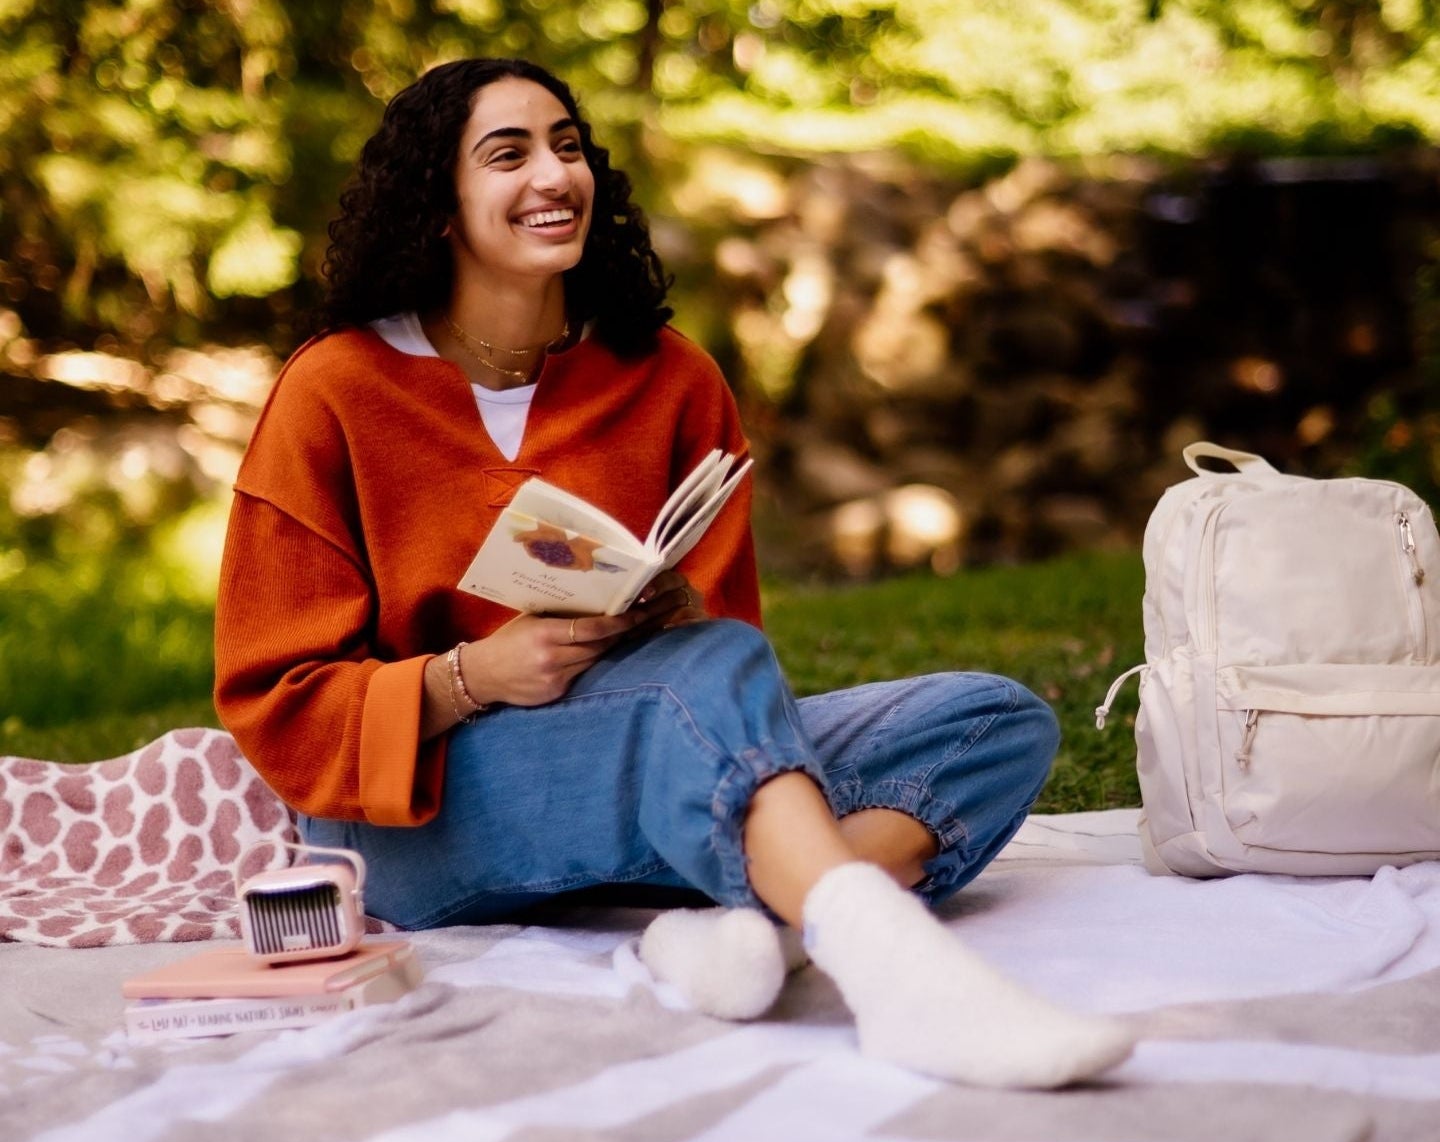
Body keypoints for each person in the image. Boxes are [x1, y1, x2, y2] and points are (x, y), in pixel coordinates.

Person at [213, 57, 1134, 1089]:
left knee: (991, 723)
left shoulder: (667, 376)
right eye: (508, 154)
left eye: (567, 146)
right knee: (708, 695)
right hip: (416, 815)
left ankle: (754, 934)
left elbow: (736, 675)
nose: (553, 174)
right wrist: (470, 676)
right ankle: (897, 974)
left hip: (645, 756)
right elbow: (275, 702)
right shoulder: (333, 391)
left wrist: (678, 608)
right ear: (438, 202)